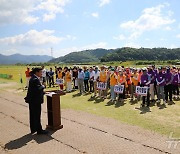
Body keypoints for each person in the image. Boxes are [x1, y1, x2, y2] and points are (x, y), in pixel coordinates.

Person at [24, 67, 48, 135]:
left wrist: (43, 92)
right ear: (37, 72)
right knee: (37, 115)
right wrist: (43, 86)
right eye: (41, 72)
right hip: (35, 101)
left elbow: (34, 90)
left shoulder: (33, 78)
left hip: (32, 100)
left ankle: (34, 129)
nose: (41, 73)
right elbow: (37, 89)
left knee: (33, 115)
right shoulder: (35, 79)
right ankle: (39, 130)